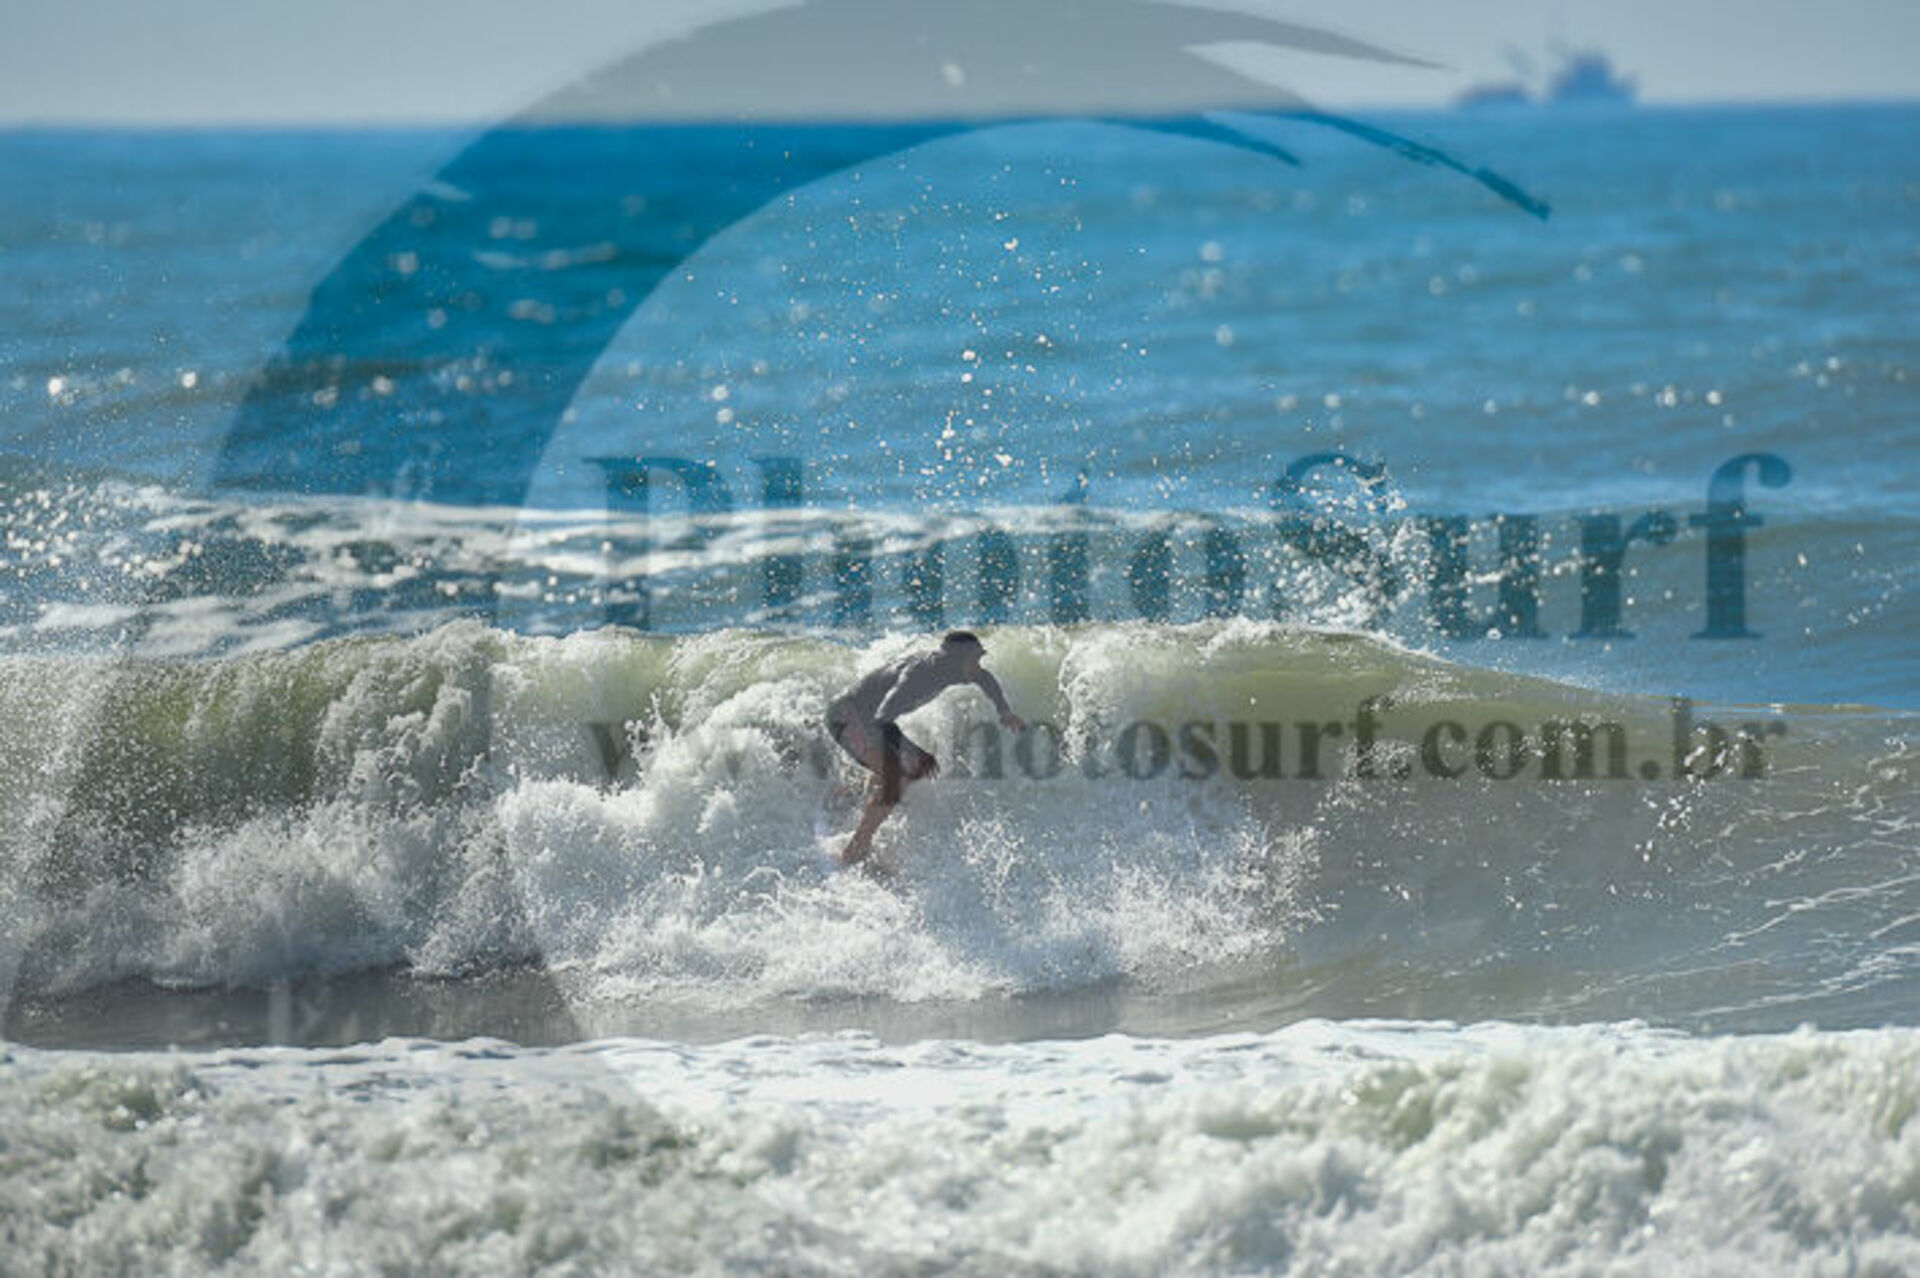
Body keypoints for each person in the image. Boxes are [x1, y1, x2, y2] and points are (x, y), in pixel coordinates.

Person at [825, 630, 1026, 869]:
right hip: (846, 715)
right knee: (898, 774)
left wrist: (1004, 711)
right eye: (974, 660)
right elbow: (883, 720)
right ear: (957, 660)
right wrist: (918, 752)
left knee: (901, 770)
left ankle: (848, 796)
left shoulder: (951, 669)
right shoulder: (918, 675)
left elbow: (986, 679)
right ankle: (855, 850)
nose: (978, 667)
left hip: (866, 720)